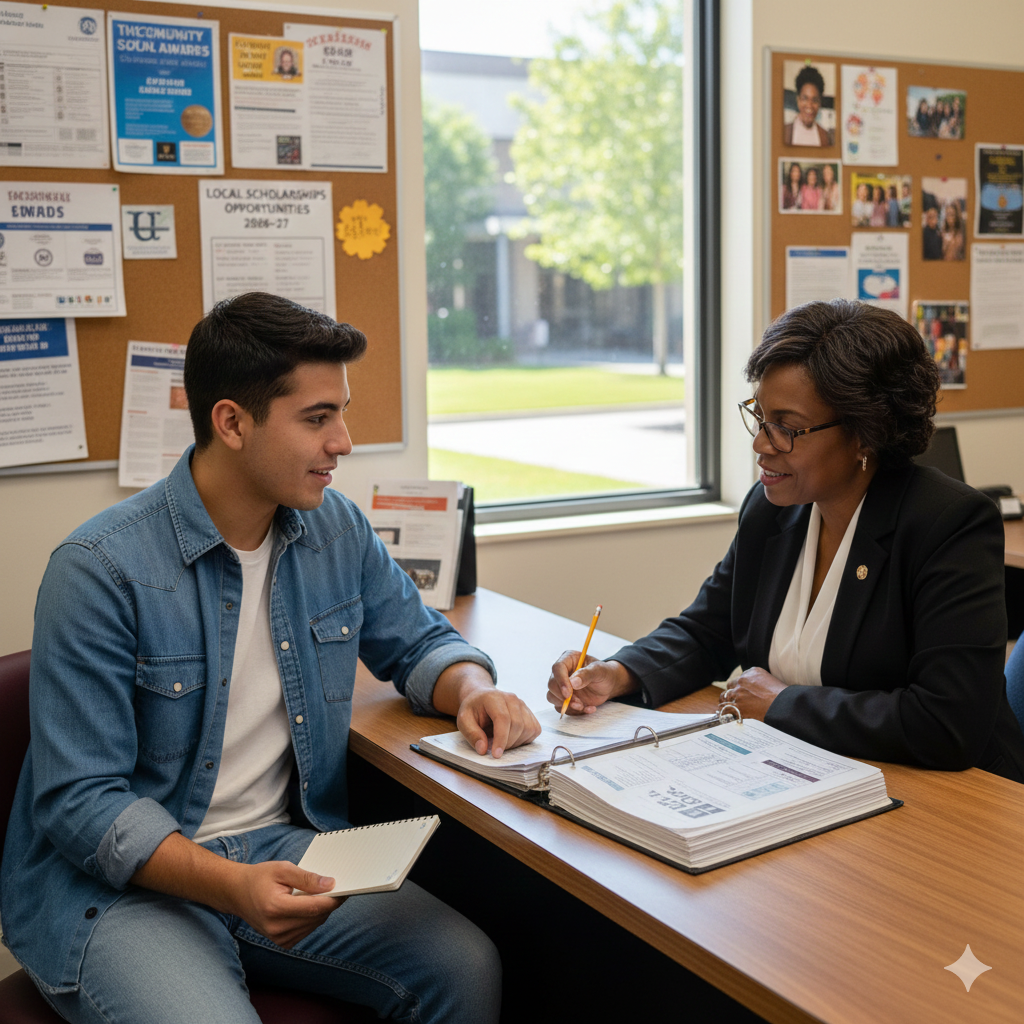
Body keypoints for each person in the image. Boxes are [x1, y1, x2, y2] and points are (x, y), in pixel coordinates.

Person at [1, 292, 542, 1024]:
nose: (344, 441)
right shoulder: (100, 567)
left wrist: (470, 687)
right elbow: (81, 804)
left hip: (281, 848)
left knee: (464, 967)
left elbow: (418, 642)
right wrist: (228, 886)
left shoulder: (334, 529)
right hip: (123, 890)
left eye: (342, 413)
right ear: (231, 422)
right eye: (318, 418)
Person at [547, 300, 1024, 783]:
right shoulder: (773, 509)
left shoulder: (948, 524)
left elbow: (948, 720)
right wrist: (618, 673)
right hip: (805, 772)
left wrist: (783, 704)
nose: (761, 443)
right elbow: (707, 631)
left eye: (787, 427)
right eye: (759, 415)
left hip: (957, 797)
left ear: (865, 433)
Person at [784, 65, 833, 147]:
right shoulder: (784, 132)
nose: (809, 105)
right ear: (798, 100)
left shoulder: (826, 137)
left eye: (815, 100)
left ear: (820, 103)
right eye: (805, 98)